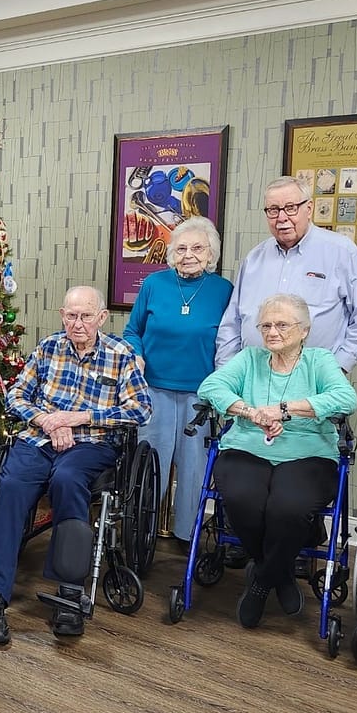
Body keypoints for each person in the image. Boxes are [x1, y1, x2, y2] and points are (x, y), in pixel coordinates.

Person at [0, 286, 152, 644]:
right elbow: (15, 395)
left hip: (91, 444)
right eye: (71, 315)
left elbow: (140, 409)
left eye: (86, 316)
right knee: (10, 487)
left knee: (68, 480)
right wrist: (46, 420)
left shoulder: (121, 355)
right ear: (62, 315)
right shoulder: (48, 348)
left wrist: (80, 417)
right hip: (39, 438)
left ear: (102, 317)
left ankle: (69, 593)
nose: (78, 323)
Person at [197, 293, 357, 628]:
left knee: (288, 507)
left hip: (308, 451)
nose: (272, 331)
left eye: (282, 324)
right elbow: (211, 387)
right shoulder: (249, 359)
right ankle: (281, 573)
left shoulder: (319, 360)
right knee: (242, 499)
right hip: (246, 447)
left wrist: (286, 409)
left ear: (303, 330)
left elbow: (345, 397)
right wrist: (248, 411)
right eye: (265, 325)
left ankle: (260, 581)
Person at [123, 217, 232, 541]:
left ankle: (189, 536)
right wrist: (137, 353)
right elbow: (132, 331)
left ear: (211, 253)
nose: (188, 254)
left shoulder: (223, 290)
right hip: (154, 389)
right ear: (171, 253)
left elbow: (231, 340)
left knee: (193, 469)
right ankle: (139, 532)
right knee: (150, 464)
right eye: (181, 248)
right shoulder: (154, 284)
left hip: (201, 394)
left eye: (197, 248)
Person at [215, 176, 357, 372]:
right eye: (273, 210)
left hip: (314, 380)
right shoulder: (254, 258)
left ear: (309, 208)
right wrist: (227, 374)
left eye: (290, 208)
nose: (281, 218)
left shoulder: (341, 252)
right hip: (254, 379)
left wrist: (339, 366)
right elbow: (232, 322)